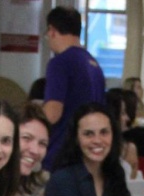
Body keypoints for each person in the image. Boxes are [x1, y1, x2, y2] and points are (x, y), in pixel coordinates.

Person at [41, 5, 106, 170]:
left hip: (62, 151)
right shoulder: (94, 65)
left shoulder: (60, 63)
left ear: (52, 30)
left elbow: (52, 113)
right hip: (88, 152)